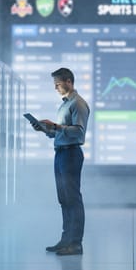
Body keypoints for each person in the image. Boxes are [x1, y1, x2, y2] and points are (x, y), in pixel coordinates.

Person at [32, 67, 89, 256]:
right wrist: (45, 130)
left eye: (58, 83)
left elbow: (78, 132)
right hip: (61, 153)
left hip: (71, 154)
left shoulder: (78, 103)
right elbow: (62, 133)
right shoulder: (65, 104)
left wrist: (56, 126)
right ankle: (66, 240)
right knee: (63, 199)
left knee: (72, 198)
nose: (55, 87)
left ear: (69, 82)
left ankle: (76, 243)